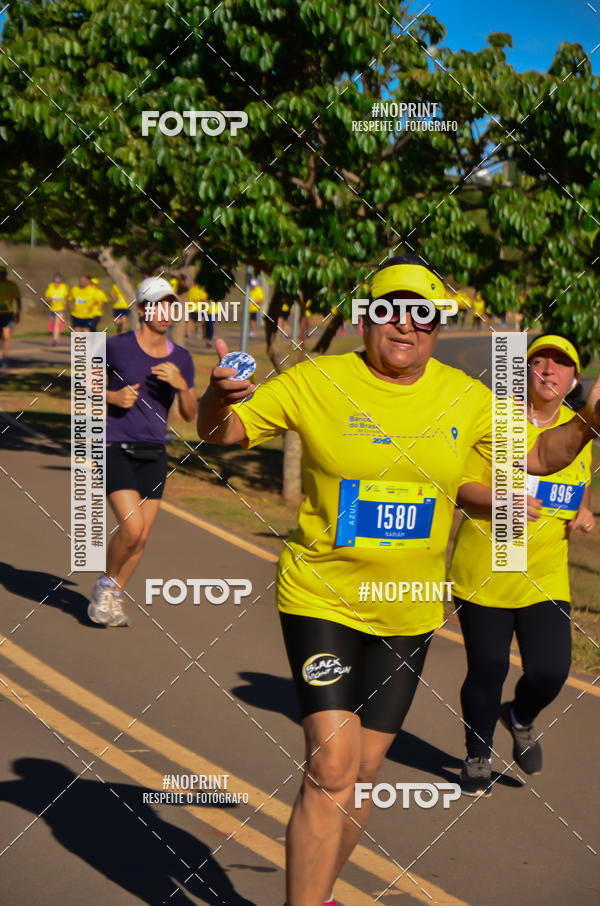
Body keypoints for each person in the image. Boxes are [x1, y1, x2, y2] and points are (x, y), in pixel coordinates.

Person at [197, 256, 600, 906]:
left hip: (410, 613)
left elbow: (539, 457)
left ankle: (321, 893)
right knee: (329, 765)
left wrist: (588, 424)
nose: (405, 324)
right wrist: (217, 397)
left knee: (363, 770)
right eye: (389, 309)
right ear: (365, 318)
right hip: (321, 598)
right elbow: (223, 433)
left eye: (423, 314)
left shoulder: (465, 398)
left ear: (439, 327)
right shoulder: (319, 380)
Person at [449, 334, 594, 796]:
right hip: (485, 569)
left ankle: (520, 715)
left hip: (545, 575)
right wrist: (501, 499)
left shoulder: (579, 428)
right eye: (539, 361)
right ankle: (477, 755)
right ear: (524, 371)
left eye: (561, 364)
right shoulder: (494, 419)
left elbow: (575, 484)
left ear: (573, 379)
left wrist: (583, 511)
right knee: (488, 669)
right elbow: (458, 484)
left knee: (551, 671)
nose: (549, 371)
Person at [87, 276, 197, 627]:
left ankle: (113, 596)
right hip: (115, 445)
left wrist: (182, 386)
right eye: (157, 304)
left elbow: (191, 414)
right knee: (132, 528)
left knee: (142, 537)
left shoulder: (181, 358)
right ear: (140, 310)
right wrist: (113, 397)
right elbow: (84, 384)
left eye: (170, 304)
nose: (165, 311)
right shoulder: (115, 346)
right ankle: (106, 586)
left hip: (154, 451)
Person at [0, 266, 21, 368]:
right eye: (0, 274)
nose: (1, 276)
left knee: (7, 336)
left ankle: (4, 359)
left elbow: (18, 300)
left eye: (3, 274)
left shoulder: (12, 285)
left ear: (6, 274)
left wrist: (18, 313)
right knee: (1, 337)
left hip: (8, 314)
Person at [44, 272, 69, 346]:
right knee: (52, 323)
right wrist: (49, 299)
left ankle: (54, 340)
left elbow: (67, 297)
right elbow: (46, 298)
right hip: (52, 308)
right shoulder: (50, 288)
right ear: (53, 281)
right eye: (55, 281)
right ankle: (57, 337)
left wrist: (65, 301)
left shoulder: (64, 287)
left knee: (56, 324)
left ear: (60, 281)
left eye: (58, 281)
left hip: (61, 308)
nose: (56, 283)